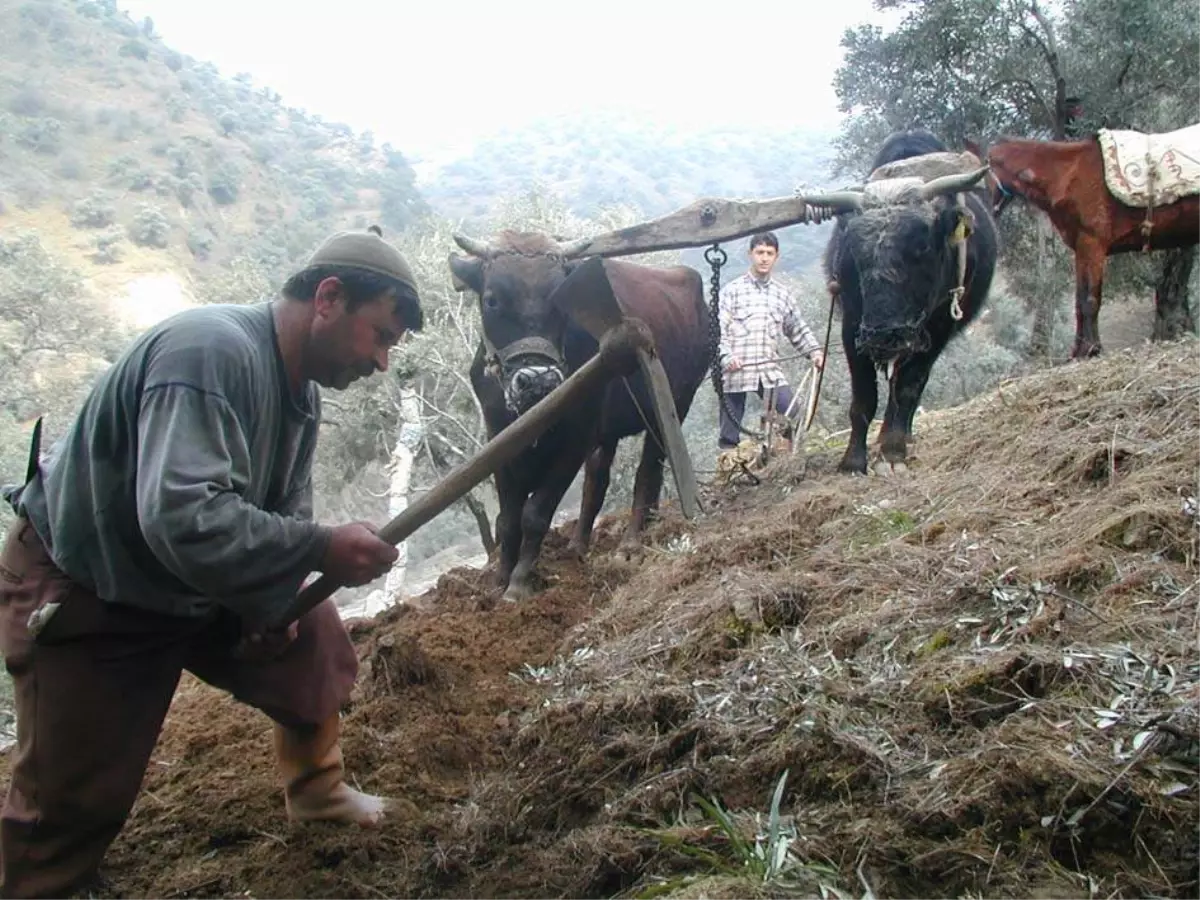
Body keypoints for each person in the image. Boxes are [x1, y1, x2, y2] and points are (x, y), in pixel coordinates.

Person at [0, 225, 424, 899]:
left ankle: (318, 791)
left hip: (182, 572)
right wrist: (318, 548)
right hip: (90, 583)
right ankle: (47, 882)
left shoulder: (301, 395)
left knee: (310, 639)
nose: (380, 363)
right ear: (329, 297)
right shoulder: (208, 350)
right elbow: (180, 514)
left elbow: (280, 514)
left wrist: (271, 603)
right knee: (73, 792)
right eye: (380, 336)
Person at [716, 231, 825, 450]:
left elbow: (796, 328)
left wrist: (814, 351)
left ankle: (782, 462)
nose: (764, 258)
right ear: (751, 254)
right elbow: (717, 331)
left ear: (776, 256)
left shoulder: (782, 295)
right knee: (729, 436)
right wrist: (726, 356)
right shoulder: (732, 291)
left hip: (767, 370)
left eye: (769, 253)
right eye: (759, 252)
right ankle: (730, 473)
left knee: (793, 414)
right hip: (734, 371)